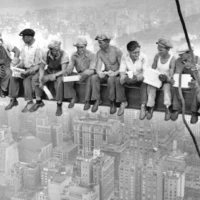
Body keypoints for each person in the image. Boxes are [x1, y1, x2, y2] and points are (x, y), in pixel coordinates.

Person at [5, 29, 43, 112]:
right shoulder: (25, 46)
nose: (22, 39)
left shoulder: (38, 47)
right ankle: (13, 99)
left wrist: (28, 72)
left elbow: (39, 65)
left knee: (26, 80)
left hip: (34, 71)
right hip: (25, 69)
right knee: (13, 76)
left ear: (30, 37)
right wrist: (17, 67)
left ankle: (29, 102)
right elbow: (22, 61)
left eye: (24, 37)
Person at [31, 39, 69, 116]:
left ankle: (59, 104)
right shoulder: (46, 54)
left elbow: (64, 70)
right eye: (55, 51)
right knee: (35, 78)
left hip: (59, 72)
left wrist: (53, 76)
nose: (57, 52)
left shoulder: (64, 55)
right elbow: (42, 67)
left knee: (59, 82)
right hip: (49, 70)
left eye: (58, 50)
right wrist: (41, 78)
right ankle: (39, 101)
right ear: (50, 50)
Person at [115, 41, 148, 118]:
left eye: (138, 52)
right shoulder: (124, 57)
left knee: (145, 82)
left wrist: (137, 77)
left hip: (139, 78)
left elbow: (145, 71)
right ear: (129, 52)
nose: (137, 54)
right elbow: (122, 70)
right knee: (118, 80)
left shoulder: (143, 57)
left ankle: (143, 105)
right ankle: (123, 102)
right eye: (134, 53)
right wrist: (123, 77)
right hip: (129, 78)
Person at [91, 34, 122, 114]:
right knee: (94, 78)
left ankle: (112, 102)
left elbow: (122, 67)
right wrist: (100, 73)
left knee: (111, 80)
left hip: (116, 74)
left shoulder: (117, 51)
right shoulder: (99, 53)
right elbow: (98, 67)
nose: (99, 45)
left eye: (101, 43)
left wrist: (115, 73)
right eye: (98, 43)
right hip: (107, 72)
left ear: (107, 42)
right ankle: (97, 99)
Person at [146, 38, 175, 120]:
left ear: (167, 49)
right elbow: (153, 68)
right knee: (151, 87)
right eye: (158, 50)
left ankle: (167, 107)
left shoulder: (172, 59)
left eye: (161, 50)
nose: (159, 52)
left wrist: (166, 78)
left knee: (166, 89)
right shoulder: (157, 56)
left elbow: (171, 74)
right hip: (157, 78)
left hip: (166, 80)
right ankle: (150, 106)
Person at [171, 43, 200, 124]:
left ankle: (194, 112)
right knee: (175, 86)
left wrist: (195, 71)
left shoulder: (197, 60)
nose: (180, 56)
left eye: (181, 54)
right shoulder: (178, 61)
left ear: (188, 53)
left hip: (194, 83)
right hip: (182, 82)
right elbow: (177, 74)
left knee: (197, 87)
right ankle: (176, 108)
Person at [64, 37, 96, 110]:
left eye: (81, 47)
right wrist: (67, 71)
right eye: (78, 47)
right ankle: (74, 96)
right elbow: (70, 66)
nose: (79, 49)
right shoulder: (74, 55)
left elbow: (92, 69)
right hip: (79, 74)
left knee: (89, 79)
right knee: (67, 78)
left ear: (85, 46)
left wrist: (84, 74)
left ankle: (87, 101)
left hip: (88, 74)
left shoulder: (92, 55)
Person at [0, 33, 20, 97]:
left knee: (9, 73)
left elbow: (17, 51)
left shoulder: (5, 43)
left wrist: (14, 63)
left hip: (6, 64)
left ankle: (4, 90)